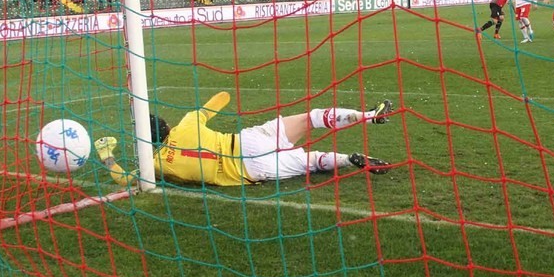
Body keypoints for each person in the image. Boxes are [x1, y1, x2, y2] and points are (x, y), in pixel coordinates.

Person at [94, 92, 394, 186]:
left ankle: (347, 158)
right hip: (248, 139)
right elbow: (220, 99)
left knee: (311, 162)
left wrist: (107, 155)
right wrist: (204, 109)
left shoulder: (157, 163)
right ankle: (369, 114)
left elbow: (126, 180)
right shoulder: (186, 124)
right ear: (166, 124)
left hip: (248, 170)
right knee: (312, 117)